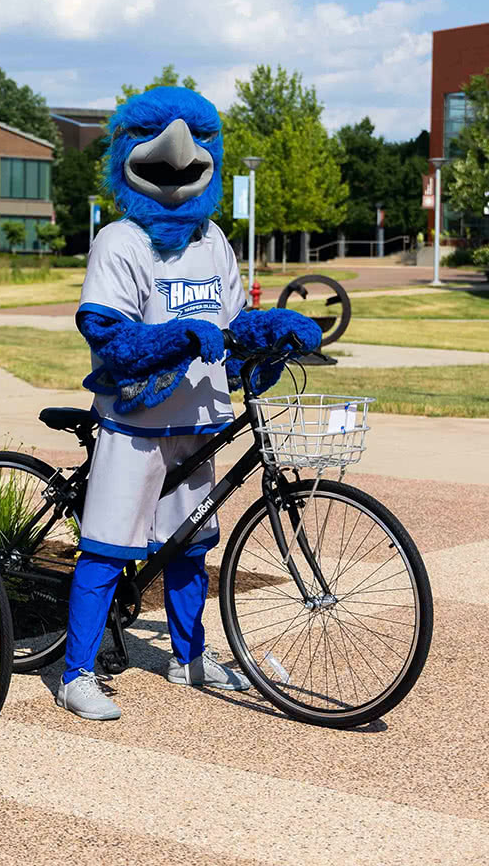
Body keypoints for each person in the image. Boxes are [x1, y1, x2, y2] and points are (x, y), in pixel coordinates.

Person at [59, 87, 319, 721]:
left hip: (199, 420)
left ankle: (190, 657)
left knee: (189, 544)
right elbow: (110, 338)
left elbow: (230, 327)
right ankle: (76, 673)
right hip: (136, 419)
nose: (177, 161)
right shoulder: (120, 242)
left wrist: (273, 330)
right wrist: (177, 335)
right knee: (107, 547)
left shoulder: (214, 241)